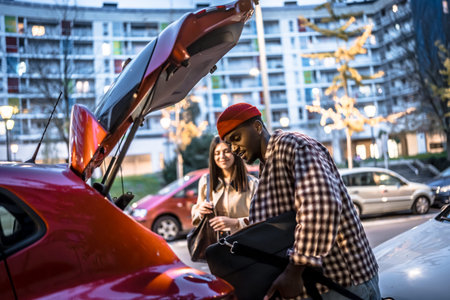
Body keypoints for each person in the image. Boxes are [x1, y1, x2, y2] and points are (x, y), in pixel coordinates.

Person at [216, 103, 380, 300]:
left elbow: (320, 207)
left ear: (258, 127)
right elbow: (281, 220)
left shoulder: (293, 146)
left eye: (236, 138)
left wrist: (294, 271)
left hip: (341, 282)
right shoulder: (268, 163)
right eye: (229, 144)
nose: (234, 149)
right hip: (323, 286)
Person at [191, 135, 258, 239]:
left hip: (245, 244)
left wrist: (235, 222)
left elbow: (261, 218)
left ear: (235, 152)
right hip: (214, 244)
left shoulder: (253, 184)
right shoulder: (206, 181)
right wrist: (200, 211)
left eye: (226, 151)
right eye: (216, 153)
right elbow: (196, 215)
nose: (221, 156)